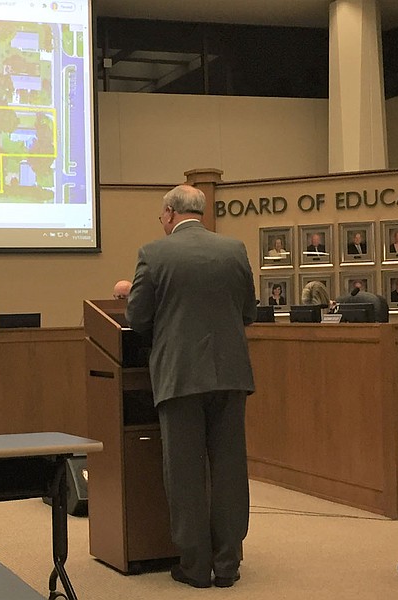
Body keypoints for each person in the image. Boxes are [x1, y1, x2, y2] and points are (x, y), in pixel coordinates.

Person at [126, 184, 256, 589]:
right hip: (231, 375)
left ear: (168, 213)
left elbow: (137, 317)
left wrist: (127, 292)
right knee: (230, 468)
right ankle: (228, 564)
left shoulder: (154, 253)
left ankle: (195, 566)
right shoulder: (234, 249)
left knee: (183, 473)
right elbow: (249, 312)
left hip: (180, 376)